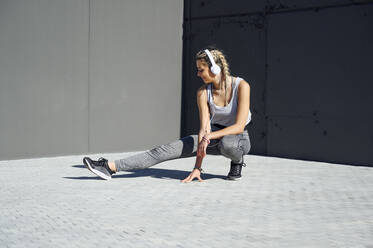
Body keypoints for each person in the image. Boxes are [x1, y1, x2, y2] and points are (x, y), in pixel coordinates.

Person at [83, 46, 252, 182]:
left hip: (239, 137)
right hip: (214, 135)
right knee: (163, 150)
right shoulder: (202, 92)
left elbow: (238, 126)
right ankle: (109, 167)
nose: (197, 74)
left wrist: (209, 137)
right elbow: (204, 129)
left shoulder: (241, 86)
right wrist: (197, 168)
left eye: (201, 70)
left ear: (215, 68)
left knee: (228, 145)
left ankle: (237, 161)